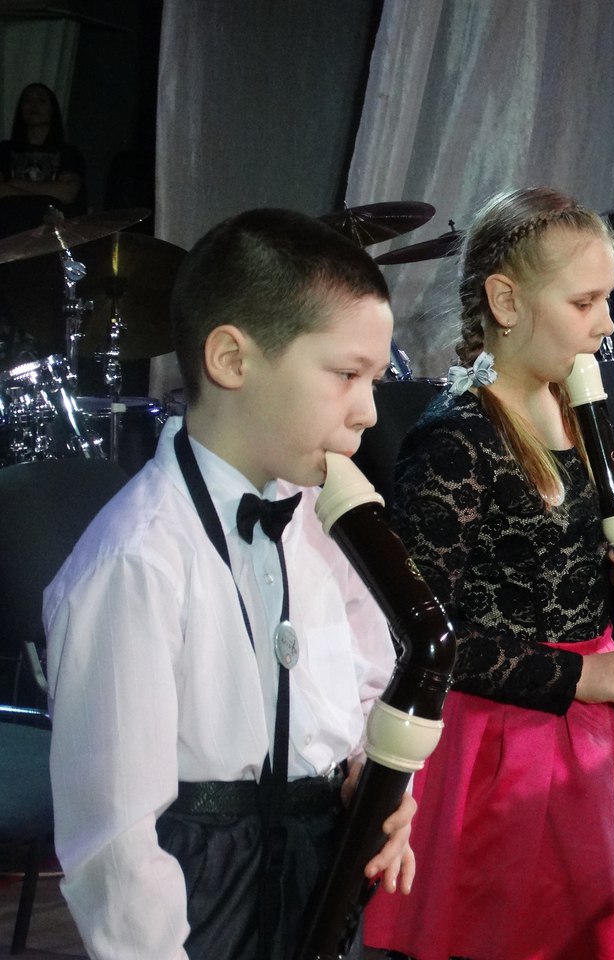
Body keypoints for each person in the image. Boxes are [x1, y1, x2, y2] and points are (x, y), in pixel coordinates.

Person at [43, 209, 414, 959]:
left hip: (318, 864)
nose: (370, 412)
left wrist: (374, 775)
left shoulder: (320, 516)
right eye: (347, 375)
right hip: (202, 888)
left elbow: (373, 670)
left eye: (374, 379)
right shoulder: (137, 559)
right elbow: (116, 847)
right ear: (232, 360)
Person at [361, 186, 614, 960]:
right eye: (584, 302)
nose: (607, 324)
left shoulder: (577, 409)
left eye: (607, 298)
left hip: (585, 726)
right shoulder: (457, 437)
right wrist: (582, 676)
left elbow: (552, 567)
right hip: (501, 744)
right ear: (506, 301)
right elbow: (422, 635)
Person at [0, 82, 86, 228]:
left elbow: (67, 192)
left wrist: (17, 184)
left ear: (52, 109)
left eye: (41, 100)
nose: (34, 105)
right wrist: (46, 198)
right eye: (27, 100)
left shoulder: (68, 153)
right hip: (9, 229)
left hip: (50, 232)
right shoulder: (4, 150)